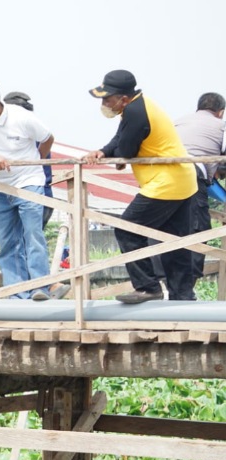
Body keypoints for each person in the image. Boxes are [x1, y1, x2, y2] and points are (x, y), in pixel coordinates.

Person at [84, 70, 198, 303]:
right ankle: (183, 298)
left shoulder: (135, 112)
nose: (104, 104)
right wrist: (104, 151)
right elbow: (120, 139)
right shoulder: (138, 106)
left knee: (127, 229)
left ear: (123, 99)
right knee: (173, 241)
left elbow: (126, 150)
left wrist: (116, 156)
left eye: (107, 99)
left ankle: (148, 287)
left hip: (166, 182)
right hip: (180, 180)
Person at [0, 78, 65, 301]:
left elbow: (47, 139)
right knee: (7, 241)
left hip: (29, 182)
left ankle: (41, 287)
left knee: (33, 236)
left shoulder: (21, 117)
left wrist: (36, 161)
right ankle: (17, 292)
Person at [174, 93, 226, 287]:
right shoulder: (221, 126)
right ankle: (189, 283)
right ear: (220, 112)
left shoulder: (178, 122)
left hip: (163, 175)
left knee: (166, 228)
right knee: (198, 228)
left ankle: (165, 282)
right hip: (191, 175)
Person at [3, 91, 56, 226]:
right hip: (35, 195)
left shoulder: (26, 130)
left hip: (32, 194)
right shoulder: (34, 129)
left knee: (27, 242)